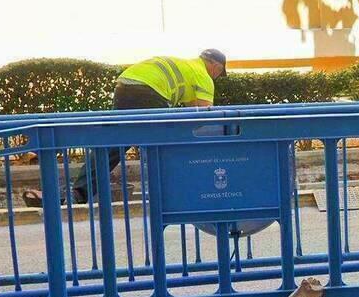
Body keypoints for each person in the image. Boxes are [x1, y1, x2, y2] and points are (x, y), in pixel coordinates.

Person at [23, 49, 227, 206]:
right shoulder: (203, 76)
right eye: (219, 73)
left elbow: (192, 111)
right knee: (167, 143)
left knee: (113, 143)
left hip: (125, 85)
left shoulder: (186, 65)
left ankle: (76, 193)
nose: (217, 77)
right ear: (215, 66)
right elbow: (203, 118)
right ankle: (183, 195)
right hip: (150, 93)